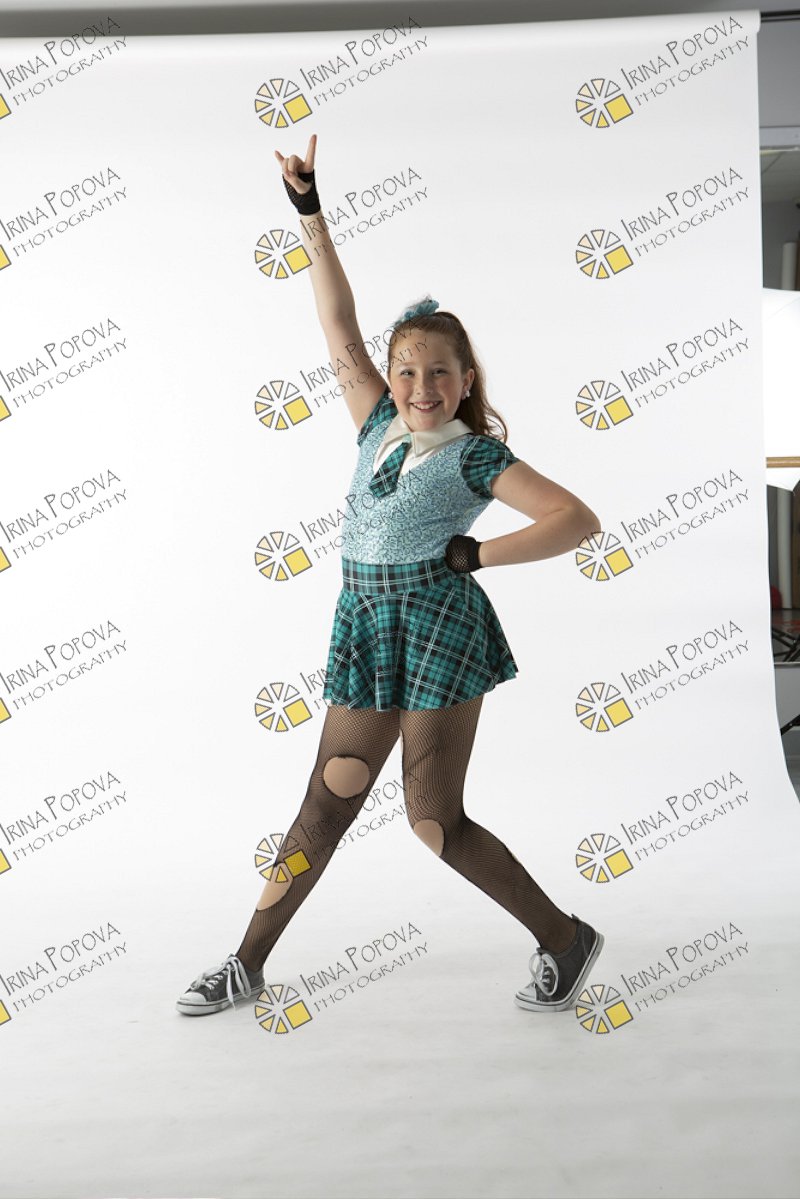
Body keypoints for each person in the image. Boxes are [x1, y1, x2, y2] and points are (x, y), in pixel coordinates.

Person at [175, 133, 605, 1019]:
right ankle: (247, 962)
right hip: (367, 625)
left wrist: (476, 554)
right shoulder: (375, 421)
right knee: (326, 799)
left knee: (433, 820)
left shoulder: (477, 455)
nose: (419, 384)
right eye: (406, 369)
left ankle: (566, 938)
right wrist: (309, 211)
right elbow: (337, 323)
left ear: (465, 378)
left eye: (438, 371)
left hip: (439, 626)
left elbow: (575, 518)